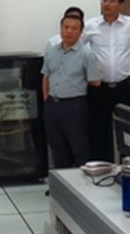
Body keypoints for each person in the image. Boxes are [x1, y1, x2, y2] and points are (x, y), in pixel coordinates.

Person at [83, 0, 130, 161]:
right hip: (99, 88)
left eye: (112, 1)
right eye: (104, 0)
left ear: (120, 5)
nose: (107, 4)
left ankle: (128, 166)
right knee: (98, 131)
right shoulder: (91, 25)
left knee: (128, 129)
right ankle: (102, 166)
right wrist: (88, 73)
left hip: (124, 85)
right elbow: (79, 50)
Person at [41, 14, 100, 168]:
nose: (69, 31)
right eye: (66, 27)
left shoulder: (87, 54)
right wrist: (46, 98)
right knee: (57, 146)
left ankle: (81, 180)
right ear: (60, 29)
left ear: (80, 32)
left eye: (74, 28)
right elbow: (46, 76)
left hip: (74, 106)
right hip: (52, 105)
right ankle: (62, 180)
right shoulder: (52, 50)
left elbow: (95, 81)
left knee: (79, 147)